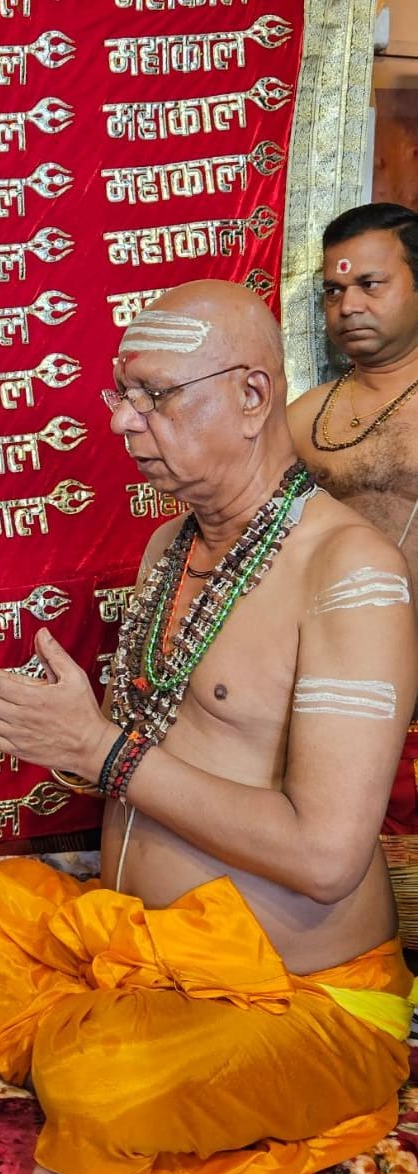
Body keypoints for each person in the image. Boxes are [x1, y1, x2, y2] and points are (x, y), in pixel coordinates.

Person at [0, 280, 418, 1174]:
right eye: (120, 394)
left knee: (100, 1081)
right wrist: (64, 739)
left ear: (253, 397)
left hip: (298, 1000)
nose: (126, 421)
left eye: (157, 394)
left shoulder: (351, 574)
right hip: (136, 947)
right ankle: (119, 1080)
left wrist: (99, 752)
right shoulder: (167, 544)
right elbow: (155, 753)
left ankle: (117, 1102)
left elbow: (326, 855)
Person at [287, 203, 418, 923]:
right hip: (342, 693)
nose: (348, 306)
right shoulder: (299, 423)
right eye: (334, 293)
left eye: (370, 284)